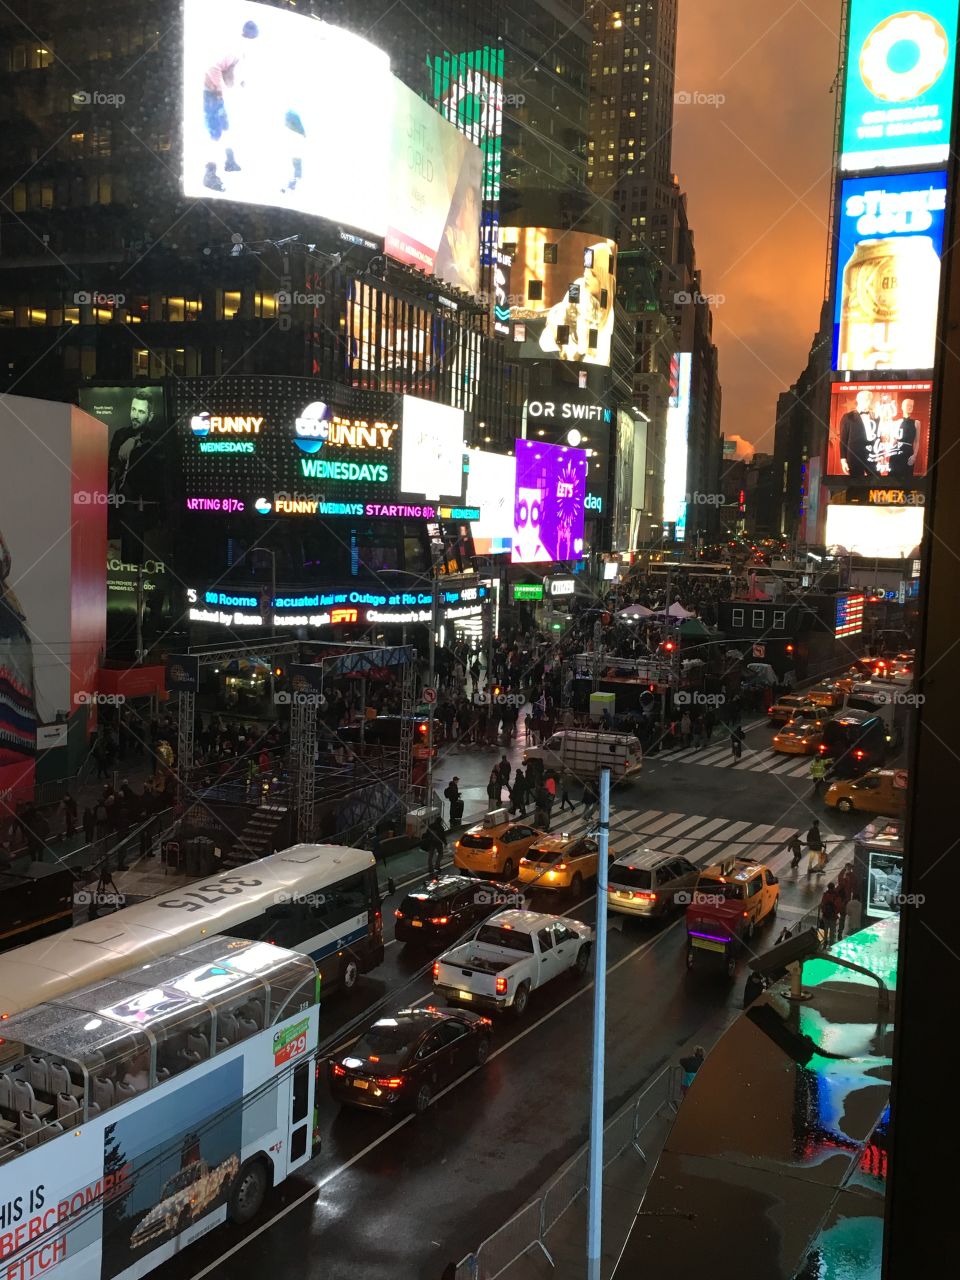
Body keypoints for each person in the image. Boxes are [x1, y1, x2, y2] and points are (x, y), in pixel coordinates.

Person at [201, 18, 260, 191]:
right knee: (215, 134)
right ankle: (209, 174)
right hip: (212, 95)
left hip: (217, 95)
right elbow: (213, 67)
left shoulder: (241, 49)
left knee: (225, 128)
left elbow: (234, 70)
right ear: (251, 37)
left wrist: (241, 83)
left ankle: (229, 161)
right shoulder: (235, 48)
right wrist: (220, 90)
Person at [889, 398, 919, 480]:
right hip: (896, 452)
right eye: (907, 405)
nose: (910, 407)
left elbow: (917, 441)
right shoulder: (897, 422)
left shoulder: (916, 423)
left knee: (907, 477)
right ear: (902, 407)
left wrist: (914, 455)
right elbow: (893, 440)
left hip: (908, 452)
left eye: (911, 406)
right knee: (893, 477)